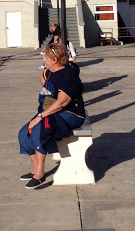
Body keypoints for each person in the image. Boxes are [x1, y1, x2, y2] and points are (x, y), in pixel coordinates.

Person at [18, 43, 85, 189]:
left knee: (40, 130)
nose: (44, 60)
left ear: (54, 59)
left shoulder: (68, 76)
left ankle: (40, 174)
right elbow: (43, 77)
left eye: (46, 57)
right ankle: (36, 169)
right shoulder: (51, 71)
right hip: (50, 113)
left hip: (69, 114)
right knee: (23, 134)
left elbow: (62, 103)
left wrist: (40, 116)